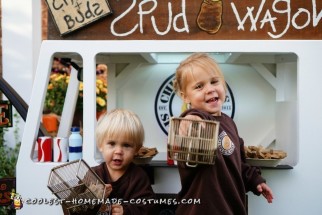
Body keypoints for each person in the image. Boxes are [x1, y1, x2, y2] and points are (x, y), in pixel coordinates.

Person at [172, 53, 273, 215]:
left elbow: (238, 164)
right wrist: (189, 119)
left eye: (214, 81)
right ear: (185, 96)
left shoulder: (229, 123)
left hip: (231, 208)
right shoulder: (195, 121)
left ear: (223, 84)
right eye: (199, 86)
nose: (210, 89)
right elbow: (192, 120)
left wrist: (255, 181)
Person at [63, 109, 155, 215]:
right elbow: (70, 207)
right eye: (112, 143)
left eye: (126, 145)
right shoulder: (93, 175)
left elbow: (149, 208)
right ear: (100, 145)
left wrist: (126, 211)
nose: (118, 151)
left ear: (137, 149)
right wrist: (91, 197)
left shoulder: (138, 177)